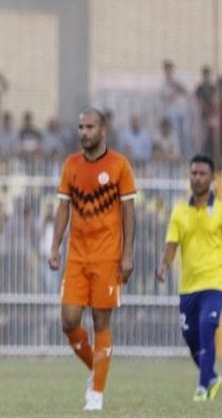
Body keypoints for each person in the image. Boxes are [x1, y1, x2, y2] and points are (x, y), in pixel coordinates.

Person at [47, 107, 136, 412]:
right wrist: (55, 246)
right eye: (80, 127)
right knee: (69, 322)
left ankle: (96, 392)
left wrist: (127, 254)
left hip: (107, 258)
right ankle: (96, 371)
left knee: (100, 322)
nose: (83, 133)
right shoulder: (71, 164)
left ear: (102, 130)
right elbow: (63, 208)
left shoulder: (119, 165)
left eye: (89, 127)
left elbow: (128, 211)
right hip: (77, 258)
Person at [155, 154, 222, 402]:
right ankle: (212, 377)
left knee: (207, 327)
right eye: (194, 173)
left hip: (214, 284)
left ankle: (202, 388)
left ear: (212, 178)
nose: (198, 178)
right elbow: (171, 245)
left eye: (203, 174)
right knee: (191, 339)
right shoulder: (179, 211)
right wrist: (164, 265)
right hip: (187, 287)